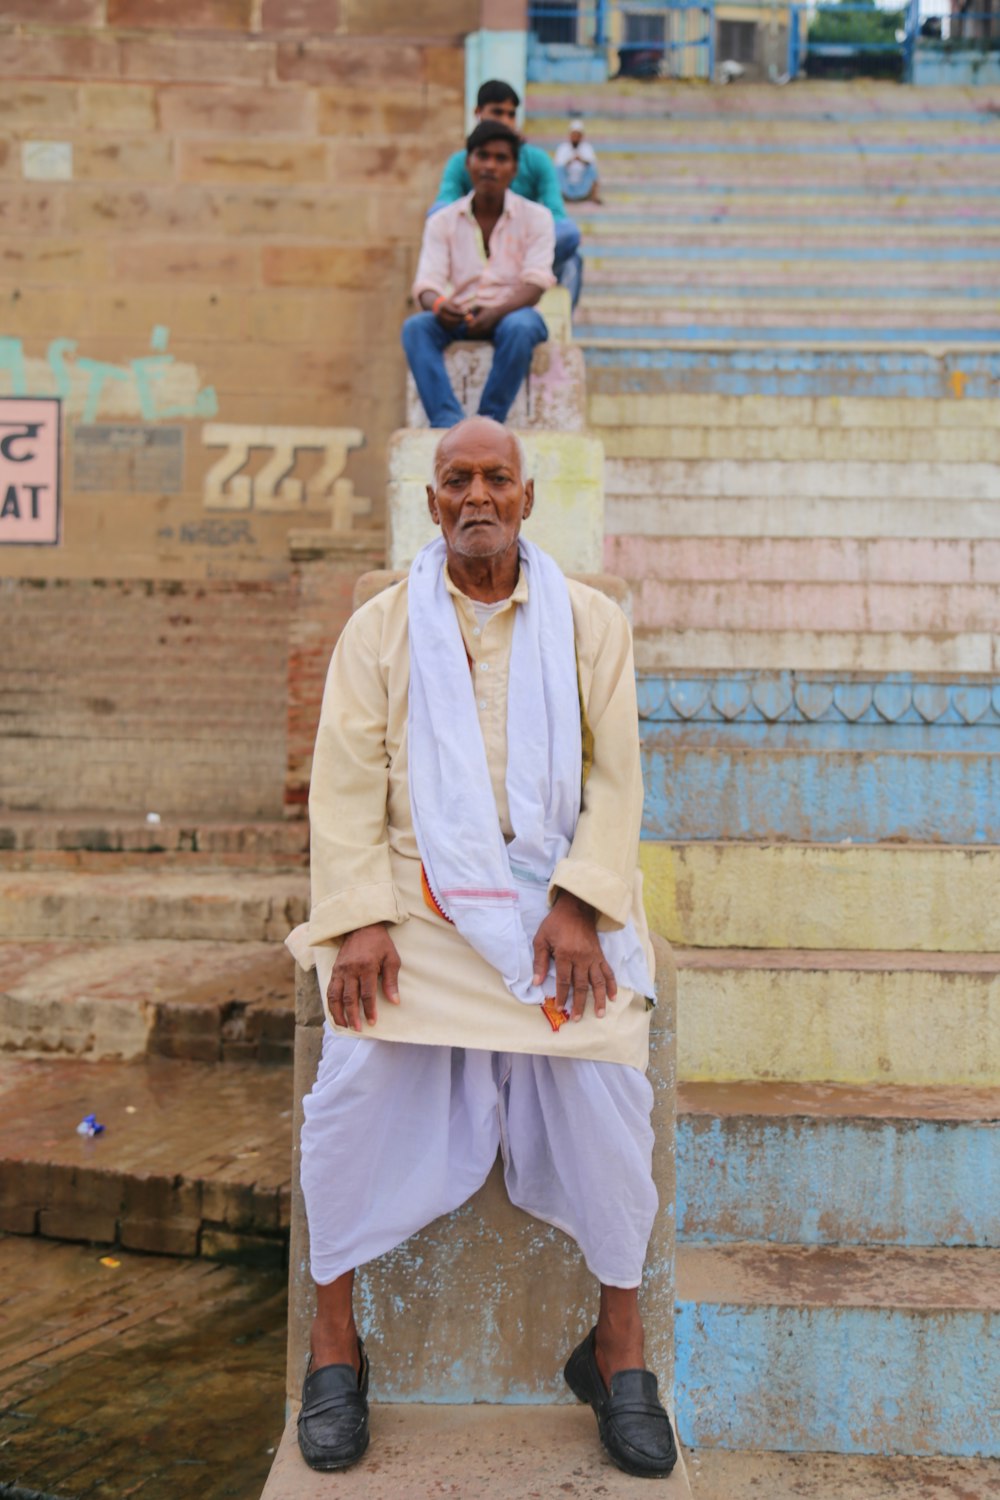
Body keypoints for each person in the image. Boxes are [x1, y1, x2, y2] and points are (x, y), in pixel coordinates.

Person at [289, 415, 678, 1481]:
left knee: (608, 1085)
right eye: (453, 479)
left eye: (493, 479)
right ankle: (334, 1344)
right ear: (430, 504)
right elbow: (344, 792)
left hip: (555, 908)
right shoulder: (378, 630)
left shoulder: (591, 624)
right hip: (416, 910)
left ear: (523, 498)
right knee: (353, 1081)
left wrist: (579, 902)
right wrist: (361, 916)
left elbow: (614, 781)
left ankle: (617, 1349)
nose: (473, 497)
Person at [402, 121, 554, 429]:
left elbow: (536, 283)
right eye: (482, 156)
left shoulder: (537, 218)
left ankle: (487, 424)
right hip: (462, 315)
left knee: (521, 327)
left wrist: (497, 312)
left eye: (500, 158)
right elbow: (427, 283)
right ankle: (449, 424)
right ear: (468, 163)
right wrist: (440, 305)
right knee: (416, 328)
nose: (490, 166)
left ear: (514, 168)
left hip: (513, 315)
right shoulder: (443, 221)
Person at [431, 79, 584, 308]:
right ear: (478, 113)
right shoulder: (460, 162)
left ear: (513, 167)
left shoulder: (536, 160)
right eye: (497, 112)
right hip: (475, 254)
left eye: (511, 114)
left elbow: (559, 220)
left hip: (525, 251)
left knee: (571, 244)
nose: (505, 121)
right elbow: (440, 211)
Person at [554, 118, 602, 204]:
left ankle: (595, 197)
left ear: (581, 136)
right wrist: (570, 161)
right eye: (573, 135)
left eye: (577, 135)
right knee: (558, 170)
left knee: (592, 169)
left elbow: (593, 164)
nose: (575, 138)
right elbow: (558, 166)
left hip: (582, 185)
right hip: (566, 184)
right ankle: (558, 197)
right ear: (570, 135)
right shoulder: (563, 148)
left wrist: (581, 160)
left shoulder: (587, 147)